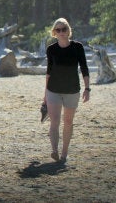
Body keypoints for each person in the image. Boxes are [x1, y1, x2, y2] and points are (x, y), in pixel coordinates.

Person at [44, 18, 90, 163]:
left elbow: (84, 68)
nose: (61, 32)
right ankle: (54, 151)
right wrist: (44, 94)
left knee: (68, 122)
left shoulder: (78, 47)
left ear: (68, 30)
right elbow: (49, 72)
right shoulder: (51, 49)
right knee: (55, 121)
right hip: (53, 90)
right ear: (54, 33)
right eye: (58, 30)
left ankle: (64, 153)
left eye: (64, 29)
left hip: (72, 90)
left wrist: (87, 88)